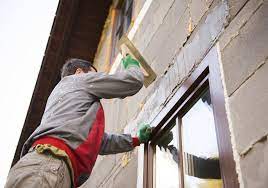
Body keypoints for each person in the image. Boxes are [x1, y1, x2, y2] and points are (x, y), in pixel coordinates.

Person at [5, 55, 152, 188]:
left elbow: (99, 142)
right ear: (79, 72)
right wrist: (133, 66)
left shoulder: (67, 101)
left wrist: (135, 140)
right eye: (95, 74)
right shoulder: (77, 80)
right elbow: (131, 82)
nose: (99, 78)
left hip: (44, 166)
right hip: (47, 167)